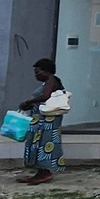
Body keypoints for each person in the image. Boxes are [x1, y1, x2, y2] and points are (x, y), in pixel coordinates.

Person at [17, 57, 67, 185]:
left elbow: (45, 96)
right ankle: (40, 172)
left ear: (47, 71)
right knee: (38, 143)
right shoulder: (47, 82)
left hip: (48, 120)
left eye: (38, 72)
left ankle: (45, 173)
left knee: (45, 143)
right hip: (41, 119)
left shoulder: (52, 80)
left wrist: (28, 101)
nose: (36, 75)